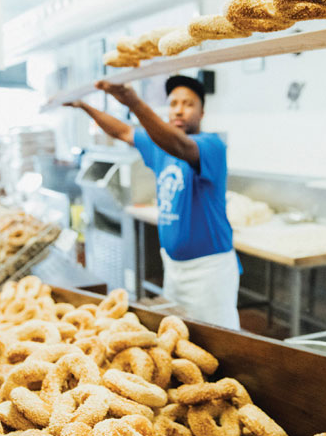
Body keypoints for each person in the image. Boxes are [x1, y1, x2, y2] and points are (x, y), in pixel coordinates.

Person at [65, 75, 240, 330]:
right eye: (173, 103)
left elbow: (180, 144)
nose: (179, 109)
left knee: (219, 341)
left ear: (202, 112)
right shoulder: (160, 146)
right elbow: (122, 130)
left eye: (188, 104)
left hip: (209, 272)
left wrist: (134, 103)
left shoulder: (211, 146)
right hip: (173, 267)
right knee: (181, 336)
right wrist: (84, 106)